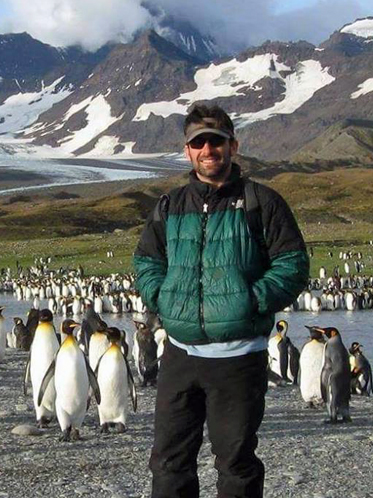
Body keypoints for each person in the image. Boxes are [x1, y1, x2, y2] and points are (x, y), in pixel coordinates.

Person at [134, 104, 309, 498]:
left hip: (238, 356)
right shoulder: (170, 205)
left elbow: (293, 265)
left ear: (233, 146)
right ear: (188, 151)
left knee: (235, 463)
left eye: (216, 141)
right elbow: (146, 261)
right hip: (180, 354)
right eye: (199, 143)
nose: (208, 150)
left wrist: (248, 301)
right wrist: (162, 298)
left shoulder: (260, 202)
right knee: (169, 462)